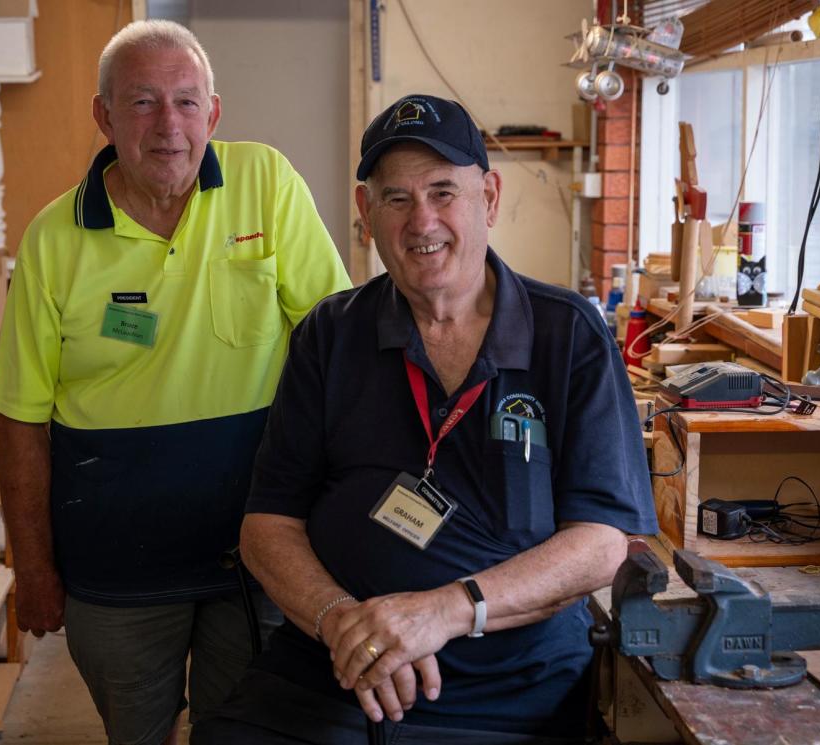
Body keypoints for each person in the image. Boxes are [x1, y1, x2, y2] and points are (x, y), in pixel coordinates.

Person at [193, 94, 658, 744]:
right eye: (397, 198)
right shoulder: (330, 333)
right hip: (335, 673)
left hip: (511, 688)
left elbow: (604, 542)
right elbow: (267, 524)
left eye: (444, 192)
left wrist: (444, 610)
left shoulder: (569, 335)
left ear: (489, 198)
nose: (423, 221)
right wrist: (343, 622)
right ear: (365, 213)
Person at [0, 20, 350, 745]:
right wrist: (33, 567)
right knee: (136, 730)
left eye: (187, 103)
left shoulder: (266, 184)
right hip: (116, 565)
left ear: (213, 114)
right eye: (143, 102)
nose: (169, 126)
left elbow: (334, 346)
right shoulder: (55, 238)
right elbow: (19, 416)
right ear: (105, 116)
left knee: (241, 728)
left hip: (256, 549)